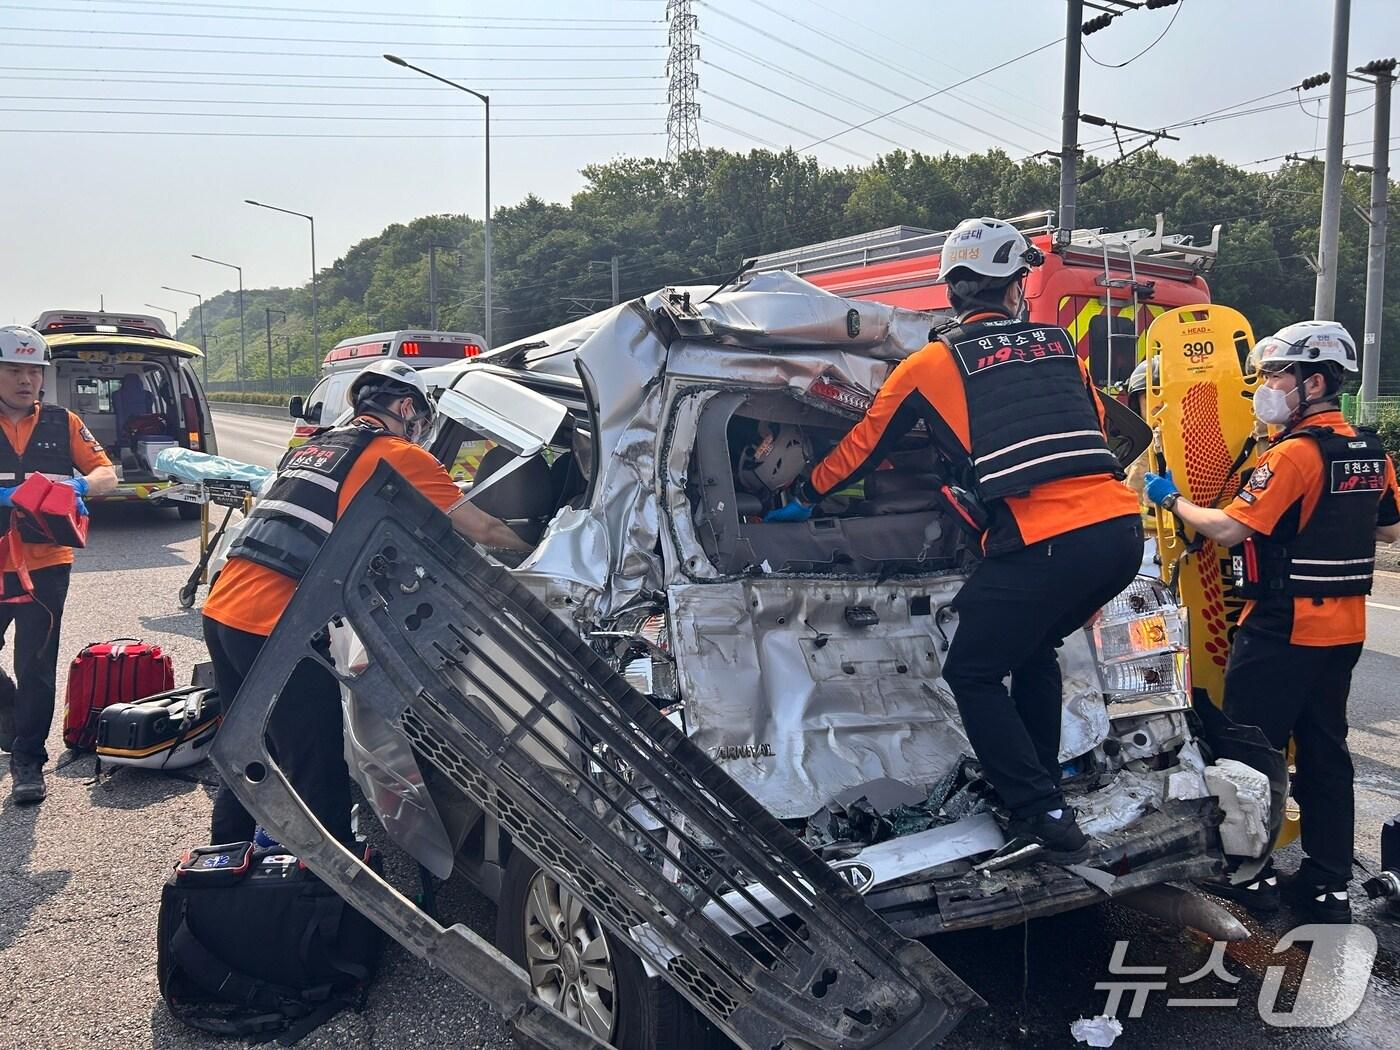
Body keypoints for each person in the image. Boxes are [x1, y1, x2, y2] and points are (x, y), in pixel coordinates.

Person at [767, 217, 1143, 862]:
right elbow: (1099, 427)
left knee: (971, 670)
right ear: (1013, 287)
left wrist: (802, 497)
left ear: (955, 291)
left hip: (1046, 540)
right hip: (1118, 532)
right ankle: (1044, 786)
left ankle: (1040, 813)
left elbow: (862, 447)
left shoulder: (931, 363)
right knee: (1033, 651)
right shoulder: (1059, 347)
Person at [201, 359, 531, 844]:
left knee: (248, 750)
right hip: (275, 628)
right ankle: (334, 896)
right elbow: (485, 530)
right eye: (420, 418)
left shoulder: (316, 448)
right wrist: (535, 548)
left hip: (225, 609)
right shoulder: (400, 454)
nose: (420, 430)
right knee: (318, 772)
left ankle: (223, 867)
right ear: (403, 407)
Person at [1145, 320, 1400, 921]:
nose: (1266, 386)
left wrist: (1171, 499)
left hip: (1281, 629)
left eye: (1277, 375)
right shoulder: (1369, 451)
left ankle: (1250, 877)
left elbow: (1230, 528)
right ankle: (1328, 881)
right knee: (1325, 750)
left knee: (1248, 753)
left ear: (1314, 382)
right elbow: (1390, 528)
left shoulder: (1294, 455)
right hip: (1344, 631)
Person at [0, 325, 117, 803]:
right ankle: (9, 712)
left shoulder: (62, 421)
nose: (25, 380)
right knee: (18, 678)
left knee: (37, 665)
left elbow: (107, 472)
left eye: (33, 370)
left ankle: (29, 760)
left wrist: (83, 487)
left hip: (45, 564)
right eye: (13, 369)